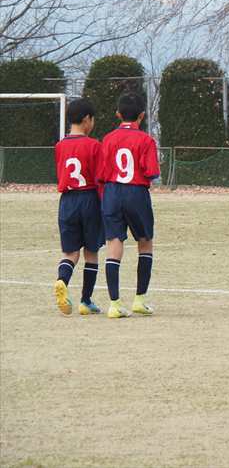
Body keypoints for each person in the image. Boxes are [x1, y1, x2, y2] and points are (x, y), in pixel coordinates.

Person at [100, 93, 160, 319]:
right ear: (142, 115)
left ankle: (114, 304)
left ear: (118, 114)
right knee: (145, 243)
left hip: (112, 192)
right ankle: (139, 300)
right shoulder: (146, 140)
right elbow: (151, 172)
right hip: (136, 192)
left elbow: (102, 173)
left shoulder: (108, 139)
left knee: (114, 243)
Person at [52, 98, 105, 316]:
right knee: (91, 252)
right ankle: (86, 300)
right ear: (86, 120)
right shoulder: (94, 145)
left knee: (70, 252)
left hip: (67, 201)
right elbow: (100, 177)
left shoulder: (60, 146)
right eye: (93, 119)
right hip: (89, 198)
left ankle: (62, 280)